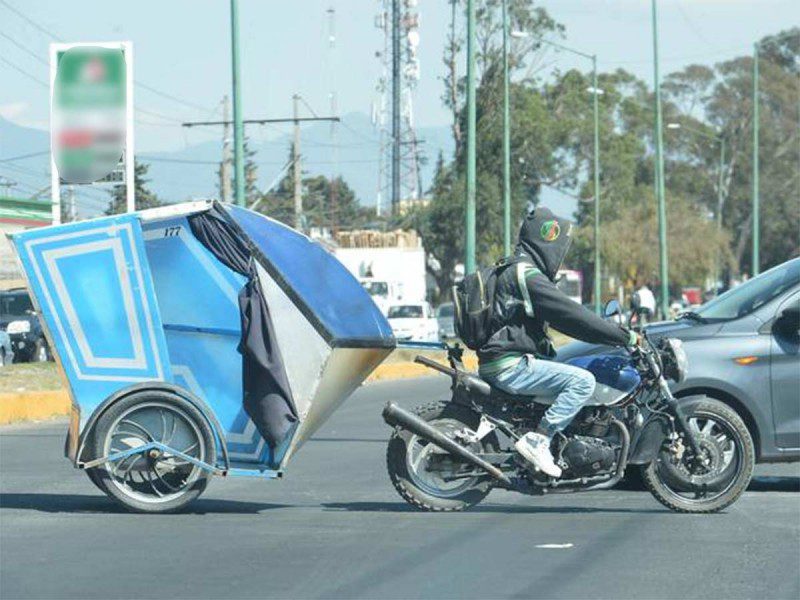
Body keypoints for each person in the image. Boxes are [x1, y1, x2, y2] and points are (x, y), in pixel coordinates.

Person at [478, 207, 638, 477]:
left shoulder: (514, 267)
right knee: (582, 381)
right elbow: (570, 314)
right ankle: (539, 440)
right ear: (547, 241)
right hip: (512, 366)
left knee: (569, 370)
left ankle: (558, 442)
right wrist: (622, 336)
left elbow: (565, 320)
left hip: (504, 361)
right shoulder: (525, 274)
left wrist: (603, 331)